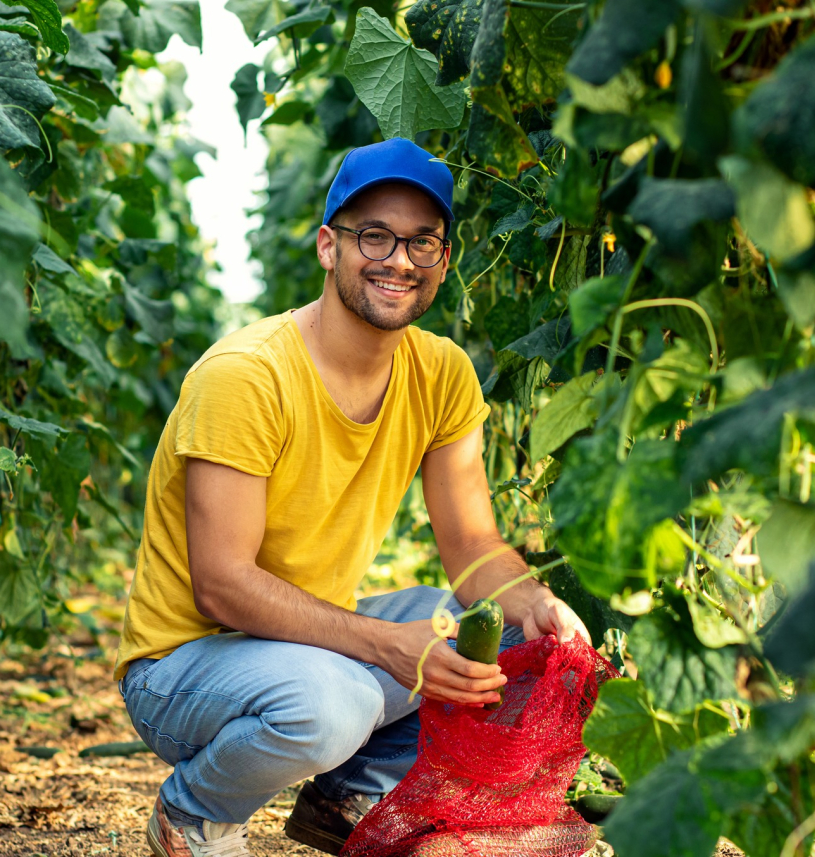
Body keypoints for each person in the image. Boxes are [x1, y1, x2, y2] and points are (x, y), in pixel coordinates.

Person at [113, 137, 591, 857]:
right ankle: (192, 813)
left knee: (514, 635)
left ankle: (348, 794)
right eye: (374, 235)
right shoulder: (246, 376)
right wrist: (389, 645)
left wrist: (538, 603)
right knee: (333, 704)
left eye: (421, 242)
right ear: (328, 246)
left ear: (443, 262)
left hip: (306, 644)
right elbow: (222, 584)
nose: (399, 259)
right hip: (184, 667)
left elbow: (472, 545)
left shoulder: (442, 373)